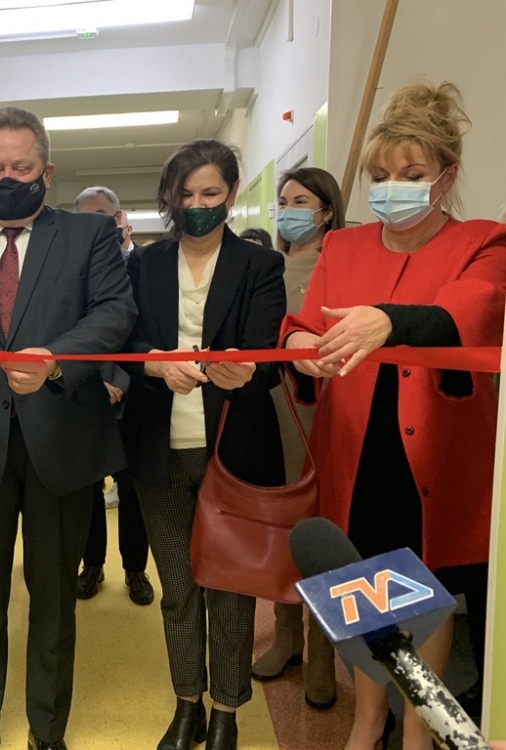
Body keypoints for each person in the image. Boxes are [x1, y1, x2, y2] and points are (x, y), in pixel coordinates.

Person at [281, 80, 506, 750]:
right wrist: (302, 351)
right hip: (354, 444)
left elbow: (468, 314)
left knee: (422, 584)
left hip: (432, 449)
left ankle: (418, 726)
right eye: (379, 177)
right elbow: (302, 324)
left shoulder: (484, 242)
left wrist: (387, 320)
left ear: (446, 176)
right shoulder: (343, 248)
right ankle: (367, 716)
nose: (391, 189)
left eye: (410, 175)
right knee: (360, 580)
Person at [0, 106, 136, 750]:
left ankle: (47, 729)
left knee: (53, 601)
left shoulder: (89, 236)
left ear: (47, 169)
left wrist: (56, 360)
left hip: (61, 445)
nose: (7, 178)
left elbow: (115, 312)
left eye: (21, 166)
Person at [120, 138, 286, 750]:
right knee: (179, 590)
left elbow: (269, 357)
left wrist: (245, 368)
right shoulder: (144, 264)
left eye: (210, 193)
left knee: (231, 591)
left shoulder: (259, 266)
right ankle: (186, 702)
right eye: (185, 194)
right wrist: (152, 362)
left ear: (232, 193)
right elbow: (125, 341)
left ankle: (226, 710)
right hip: (158, 449)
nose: (196, 205)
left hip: (233, 449)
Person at [251, 167, 346, 711]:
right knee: (281, 524)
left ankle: (323, 651)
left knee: (323, 528)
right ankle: (286, 634)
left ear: (326, 210)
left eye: (301, 201)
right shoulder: (268, 268)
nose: (288, 210)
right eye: (282, 201)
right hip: (274, 409)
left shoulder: (342, 265)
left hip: (328, 412)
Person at [71, 185, 153, 606]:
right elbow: (73, 334)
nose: (95, 225)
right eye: (85, 218)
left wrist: (120, 381)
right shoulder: (71, 269)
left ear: (120, 219)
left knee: (132, 488)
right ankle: (92, 565)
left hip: (135, 393)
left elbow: (142, 331)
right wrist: (95, 381)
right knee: (87, 486)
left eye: (103, 216)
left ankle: (135, 569)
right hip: (86, 391)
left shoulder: (146, 267)